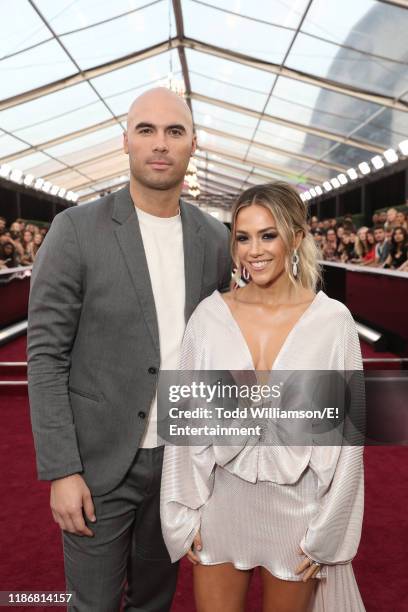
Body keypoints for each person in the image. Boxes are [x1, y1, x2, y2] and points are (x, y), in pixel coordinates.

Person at [27, 87, 231, 612]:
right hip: (97, 465)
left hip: (179, 464)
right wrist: (61, 470)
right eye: (146, 130)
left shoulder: (214, 239)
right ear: (125, 141)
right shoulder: (76, 230)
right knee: (92, 606)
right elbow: (46, 356)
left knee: (154, 602)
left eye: (174, 131)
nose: (159, 144)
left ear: (193, 145)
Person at [161, 182, 365, 611]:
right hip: (221, 504)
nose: (254, 250)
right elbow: (187, 426)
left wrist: (328, 529)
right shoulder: (209, 317)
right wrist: (182, 510)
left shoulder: (333, 322)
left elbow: (349, 438)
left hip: (299, 512)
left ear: (296, 237)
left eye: (268, 234)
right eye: (243, 236)